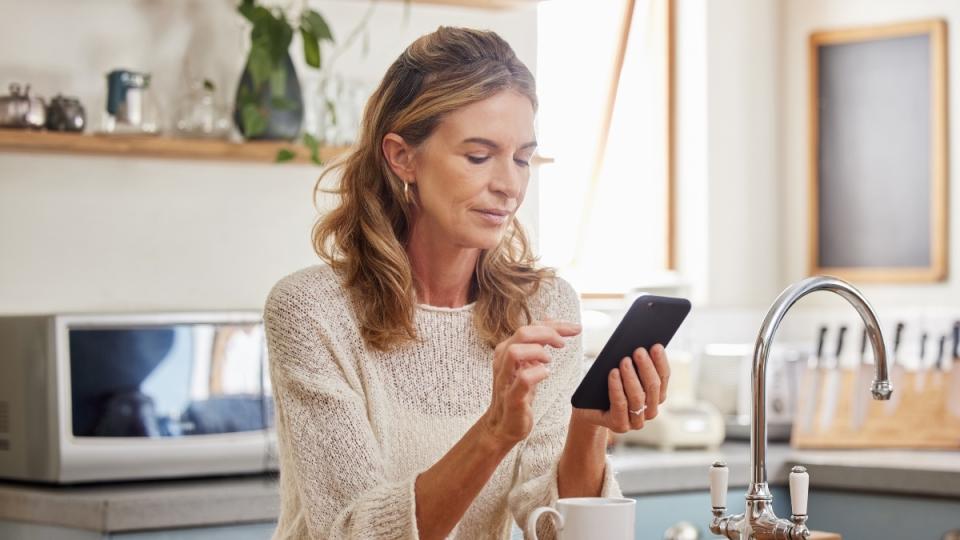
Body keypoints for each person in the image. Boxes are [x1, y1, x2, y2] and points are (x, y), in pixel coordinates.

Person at [263, 26, 671, 540]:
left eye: (522, 158)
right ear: (401, 156)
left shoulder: (543, 307)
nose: (509, 184)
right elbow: (353, 532)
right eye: (479, 156)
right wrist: (494, 433)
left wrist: (587, 428)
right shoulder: (311, 312)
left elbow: (558, 530)